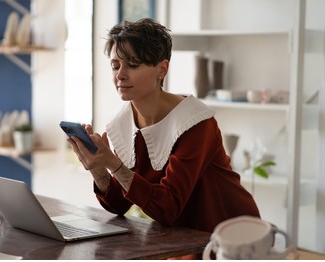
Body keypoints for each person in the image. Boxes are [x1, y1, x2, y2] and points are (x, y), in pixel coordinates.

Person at [67, 18, 260, 237]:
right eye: (115, 66)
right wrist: (98, 167)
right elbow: (117, 205)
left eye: (132, 64)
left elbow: (168, 207)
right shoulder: (120, 125)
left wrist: (113, 163)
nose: (120, 75)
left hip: (231, 236)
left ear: (162, 69)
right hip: (181, 238)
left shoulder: (196, 122)